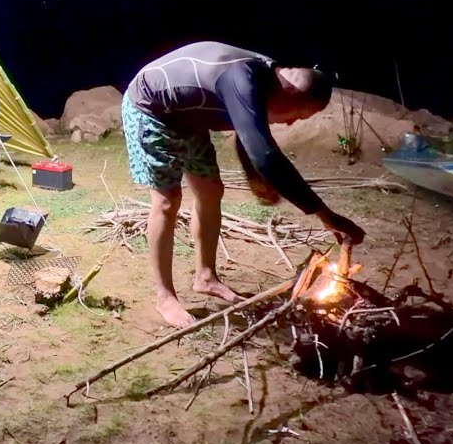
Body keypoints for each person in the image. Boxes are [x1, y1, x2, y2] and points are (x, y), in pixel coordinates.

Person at [122, 41, 366, 328]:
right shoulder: (242, 78)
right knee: (167, 200)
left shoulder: (268, 79)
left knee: (211, 191)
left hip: (190, 120)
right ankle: (165, 298)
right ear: (290, 94)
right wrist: (325, 214)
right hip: (151, 109)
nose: (290, 124)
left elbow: (246, 131)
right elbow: (264, 155)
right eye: (297, 115)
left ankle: (206, 277)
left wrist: (254, 179)